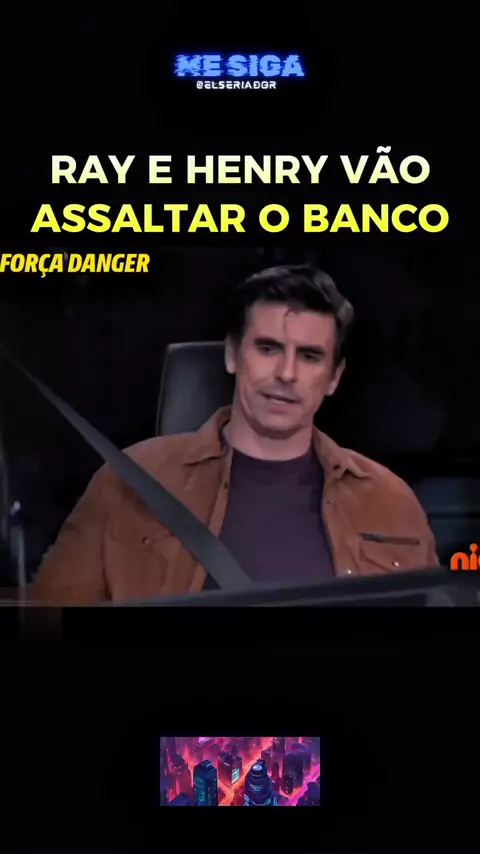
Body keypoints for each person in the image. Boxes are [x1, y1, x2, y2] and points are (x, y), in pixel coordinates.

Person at [30, 265, 439, 604]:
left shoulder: (390, 500)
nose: (286, 373)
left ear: (334, 377)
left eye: (309, 356)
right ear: (232, 354)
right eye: (268, 348)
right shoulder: (129, 481)